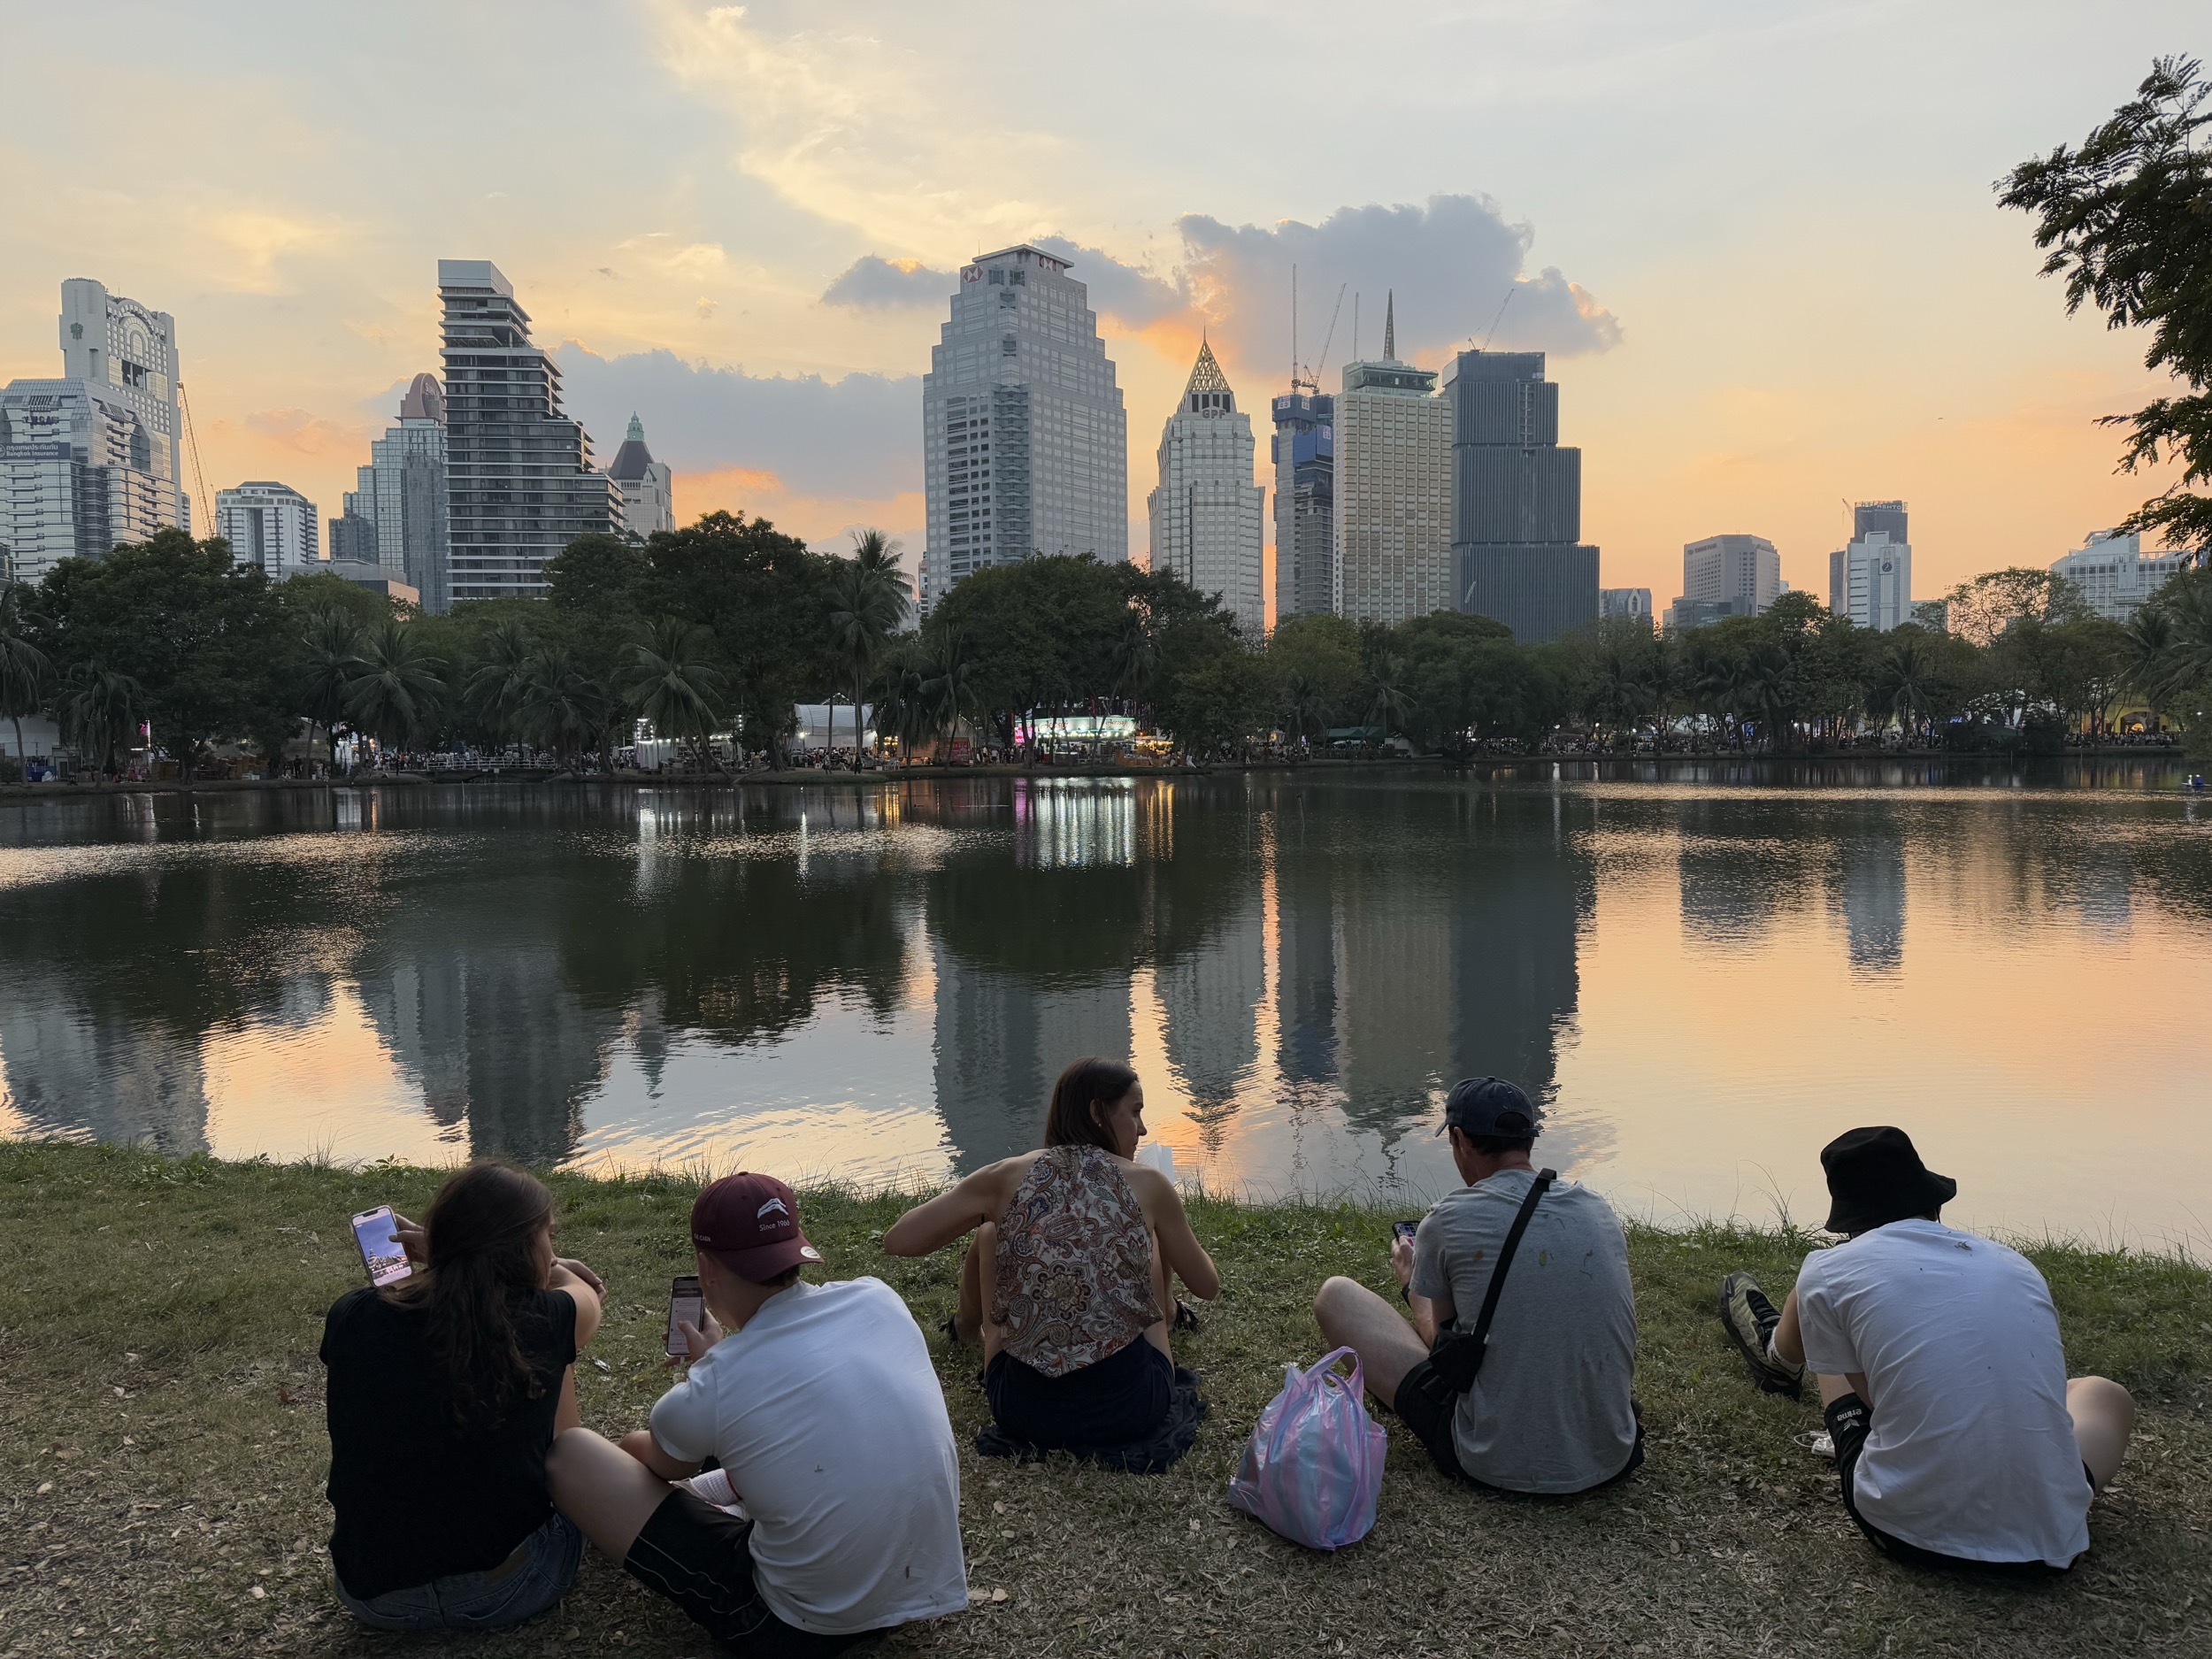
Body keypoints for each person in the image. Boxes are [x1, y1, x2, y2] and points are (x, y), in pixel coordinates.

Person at [548, 1172, 966, 1653]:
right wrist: (718, 1367)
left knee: (574, 1455)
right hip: (919, 1590)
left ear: (706, 1268)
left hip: (797, 1626)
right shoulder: (878, 1298)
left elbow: (655, 1464)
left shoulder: (723, 1380)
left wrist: (699, 1384)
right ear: (796, 1248)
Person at [1718, 1125, 2135, 1572]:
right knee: (2104, 1394)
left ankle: (1778, 1359)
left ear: (1849, 1222)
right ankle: (2033, 1481)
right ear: (1934, 1203)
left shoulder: (1830, 1267)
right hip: (2052, 1539)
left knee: (1830, 1326)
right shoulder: (2015, 1265)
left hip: (1907, 1531)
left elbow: (1876, 1402)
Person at [1314, 1077, 1641, 1494]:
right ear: (1528, 1141)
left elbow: (1446, 1353)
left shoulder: (1447, 1220)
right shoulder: (1598, 1211)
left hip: (1490, 1459)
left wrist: (1412, 1283)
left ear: (1459, 1139)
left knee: (1336, 1296)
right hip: (1611, 1454)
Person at [881, 1057, 1218, 1461]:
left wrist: (995, 1213)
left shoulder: (1005, 1176)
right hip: (1131, 1410)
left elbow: (900, 1240)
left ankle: (965, 1327)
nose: (1142, 1129)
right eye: (1134, 1112)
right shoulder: (1148, 1184)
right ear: (1097, 1112)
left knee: (990, 1235)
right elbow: (1207, 1286)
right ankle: (1164, 1310)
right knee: (1149, 1240)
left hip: (1024, 1412)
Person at [319, 1162, 603, 1631]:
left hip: (375, 1599)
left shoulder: (351, 1315)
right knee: (557, 1368)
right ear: (528, 1244)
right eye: (547, 1235)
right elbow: (585, 1294)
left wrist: (452, 1257)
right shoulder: (546, 1318)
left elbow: (431, 1333)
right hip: (508, 1589)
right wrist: (554, 1272)